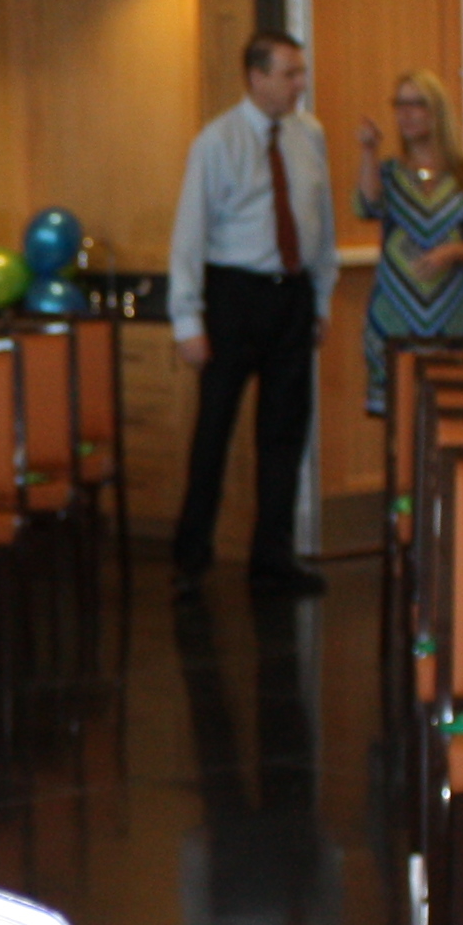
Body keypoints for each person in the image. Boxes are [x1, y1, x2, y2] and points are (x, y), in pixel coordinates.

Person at [165, 32, 336, 593]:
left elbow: (321, 225)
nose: (299, 83)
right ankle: (191, 556)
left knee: (284, 434)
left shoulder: (310, 136)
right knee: (214, 429)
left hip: (291, 295)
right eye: (289, 73)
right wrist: (187, 319)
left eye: (300, 72)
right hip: (233, 296)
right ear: (256, 77)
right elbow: (190, 233)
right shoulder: (217, 141)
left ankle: (273, 559)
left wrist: (321, 298)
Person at [355, 70, 463, 407]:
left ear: (438, 111)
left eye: (417, 104)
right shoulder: (391, 174)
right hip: (394, 322)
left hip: (453, 323)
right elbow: (367, 205)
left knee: (450, 421)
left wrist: (454, 252)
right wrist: (368, 152)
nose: (406, 113)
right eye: (400, 104)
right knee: (400, 429)